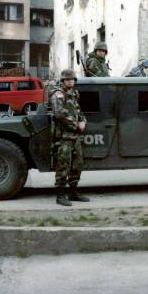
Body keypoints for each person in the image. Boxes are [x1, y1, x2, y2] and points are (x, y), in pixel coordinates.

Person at [50, 69, 90, 206]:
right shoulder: (58, 94)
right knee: (63, 165)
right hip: (64, 137)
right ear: (63, 81)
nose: (70, 81)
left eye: (72, 79)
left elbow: (79, 111)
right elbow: (59, 114)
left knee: (77, 165)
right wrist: (76, 124)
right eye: (68, 79)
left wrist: (83, 121)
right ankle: (60, 196)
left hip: (75, 136)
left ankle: (73, 192)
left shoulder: (73, 94)